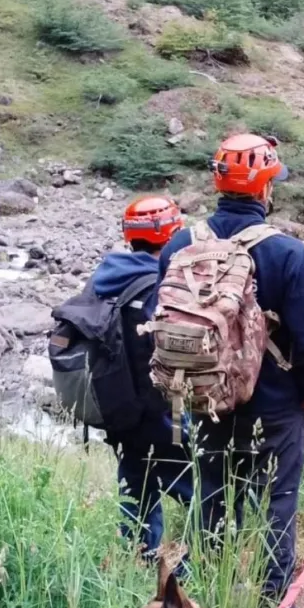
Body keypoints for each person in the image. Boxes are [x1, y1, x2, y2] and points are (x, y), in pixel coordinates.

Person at [157, 134, 304, 608]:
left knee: (211, 497)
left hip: (205, 401)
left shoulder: (181, 243)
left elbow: (161, 317)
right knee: (279, 502)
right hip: (275, 406)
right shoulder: (288, 253)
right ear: (264, 188)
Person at [91, 196, 193, 557]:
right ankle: (198, 575)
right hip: (162, 414)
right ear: (172, 234)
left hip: (117, 412)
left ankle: (138, 564)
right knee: (200, 494)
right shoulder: (159, 284)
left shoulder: (105, 278)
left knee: (135, 491)